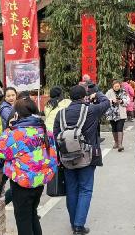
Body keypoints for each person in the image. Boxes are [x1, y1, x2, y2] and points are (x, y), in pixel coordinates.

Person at [0, 97, 58, 235]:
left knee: (23, 219)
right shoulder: (44, 130)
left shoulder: (16, 133)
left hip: (22, 182)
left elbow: (0, 150)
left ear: (17, 113)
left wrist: (8, 128)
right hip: (40, 180)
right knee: (32, 215)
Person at [53, 85, 110, 235]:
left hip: (66, 158)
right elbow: (106, 102)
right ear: (84, 96)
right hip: (86, 156)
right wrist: (96, 91)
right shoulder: (91, 110)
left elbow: (55, 136)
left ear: (70, 97)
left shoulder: (61, 114)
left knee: (72, 189)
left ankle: (73, 223)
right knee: (85, 189)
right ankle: (79, 225)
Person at [105, 80, 129, 151]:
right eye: (115, 86)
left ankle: (120, 144)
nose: (116, 87)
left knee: (120, 128)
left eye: (118, 86)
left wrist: (121, 101)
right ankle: (116, 142)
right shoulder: (109, 92)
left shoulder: (123, 92)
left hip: (121, 113)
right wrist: (112, 101)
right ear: (112, 86)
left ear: (120, 86)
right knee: (114, 128)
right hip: (112, 113)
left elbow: (127, 101)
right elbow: (105, 100)